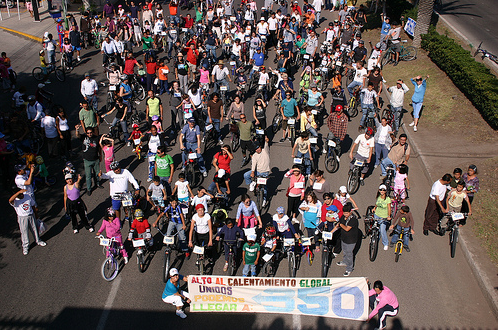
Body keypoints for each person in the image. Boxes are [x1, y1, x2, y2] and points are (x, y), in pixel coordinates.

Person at [9, 189, 47, 255]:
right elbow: (10, 200)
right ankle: (25, 246)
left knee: (34, 229)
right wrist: (18, 193)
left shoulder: (27, 196)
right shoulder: (15, 201)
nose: (22, 195)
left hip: (31, 215)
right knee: (24, 232)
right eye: (20, 194)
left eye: (22, 194)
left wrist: (36, 215)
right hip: (22, 218)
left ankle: (38, 240)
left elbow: (33, 206)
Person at [244, 137, 271, 206]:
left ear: (260, 146)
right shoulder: (255, 155)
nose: (257, 150)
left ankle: (264, 199)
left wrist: (266, 139)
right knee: (246, 175)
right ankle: (252, 183)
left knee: (264, 188)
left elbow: (267, 142)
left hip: (265, 172)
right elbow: (253, 164)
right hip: (258, 172)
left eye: (258, 148)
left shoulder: (265, 150)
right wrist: (252, 172)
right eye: (256, 149)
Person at [334, 203, 358, 276]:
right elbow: (339, 224)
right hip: (344, 238)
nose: (345, 214)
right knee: (344, 251)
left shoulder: (353, 219)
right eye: (344, 213)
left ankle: (349, 268)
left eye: (347, 213)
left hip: (351, 240)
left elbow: (347, 228)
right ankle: (345, 261)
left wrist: (340, 225)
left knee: (349, 254)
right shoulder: (343, 217)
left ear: (350, 212)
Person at [372, 184, 392, 251]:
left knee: (382, 230)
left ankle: (385, 243)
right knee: (374, 226)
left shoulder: (388, 199)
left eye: (383, 190)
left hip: (383, 217)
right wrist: (374, 208)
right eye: (381, 190)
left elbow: (389, 208)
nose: (382, 191)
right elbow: (377, 203)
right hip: (377, 214)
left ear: (386, 191)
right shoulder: (379, 197)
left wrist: (388, 216)